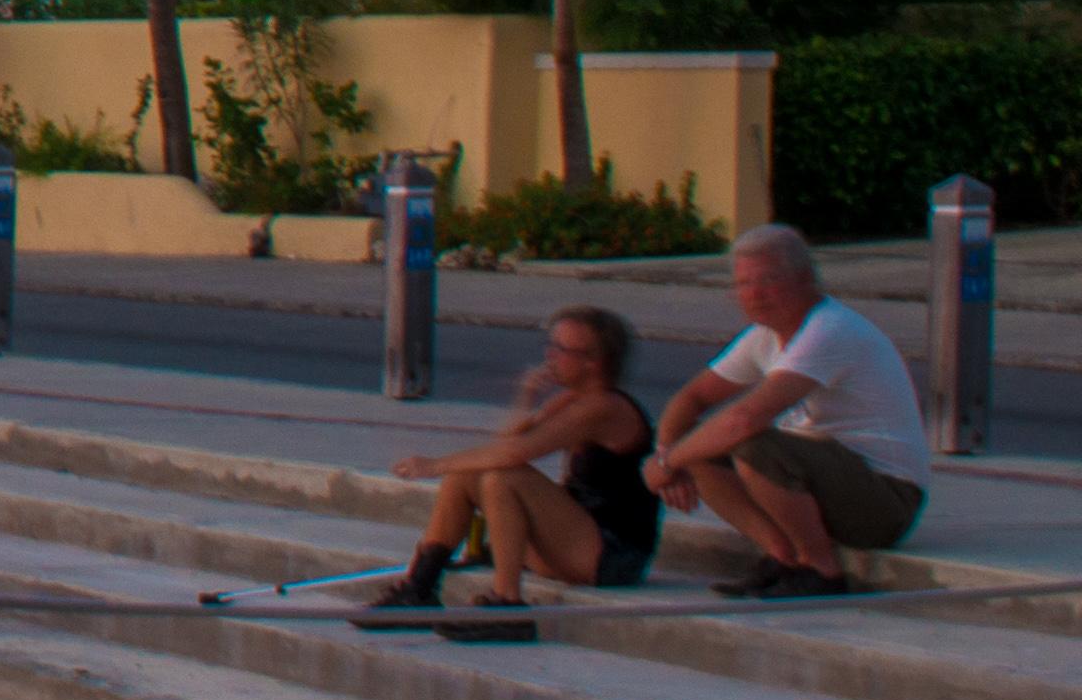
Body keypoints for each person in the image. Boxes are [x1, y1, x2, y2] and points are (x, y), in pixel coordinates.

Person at [649, 222, 932, 598]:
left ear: (804, 279)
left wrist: (666, 466)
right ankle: (782, 555)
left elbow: (744, 419)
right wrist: (669, 450)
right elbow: (692, 398)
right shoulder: (764, 335)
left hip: (887, 501)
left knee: (756, 447)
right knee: (701, 449)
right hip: (829, 482)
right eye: (744, 284)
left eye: (768, 280)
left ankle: (821, 569)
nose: (755, 294)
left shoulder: (829, 329)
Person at [362, 303, 655, 632]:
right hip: (575, 541)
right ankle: (420, 586)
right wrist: (526, 398)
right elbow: (505, 444)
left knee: (503, 477)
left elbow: (516, 454)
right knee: (469, 473)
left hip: (613, 555)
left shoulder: (605, 407)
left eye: (561, 349)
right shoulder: (570, 401)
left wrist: (435, 465)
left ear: (594, 362)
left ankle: (508, 605)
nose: (550, 356)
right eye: (550, 346)